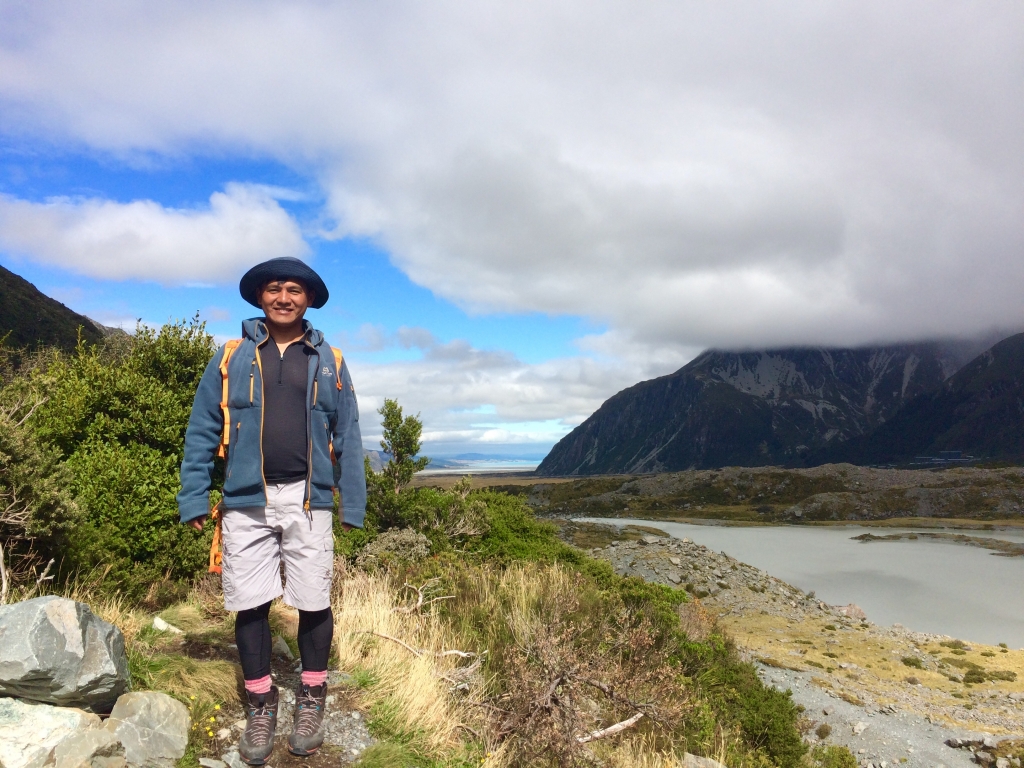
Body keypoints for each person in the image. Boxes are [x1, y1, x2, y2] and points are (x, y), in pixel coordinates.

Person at [177, 257, 366, 765]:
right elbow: (201, 430)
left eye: (295, 290)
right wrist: (194, 494)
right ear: (261, 297)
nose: (285, 298)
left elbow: (347, 434)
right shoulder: (231, 356)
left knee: (312, 598)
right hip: (245, 499)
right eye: (275, 289)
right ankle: (262, 703)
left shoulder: (331, 359)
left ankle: (311, 696)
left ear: (309, 299)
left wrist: (353, 501)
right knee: (250, 602)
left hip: (309, 500)